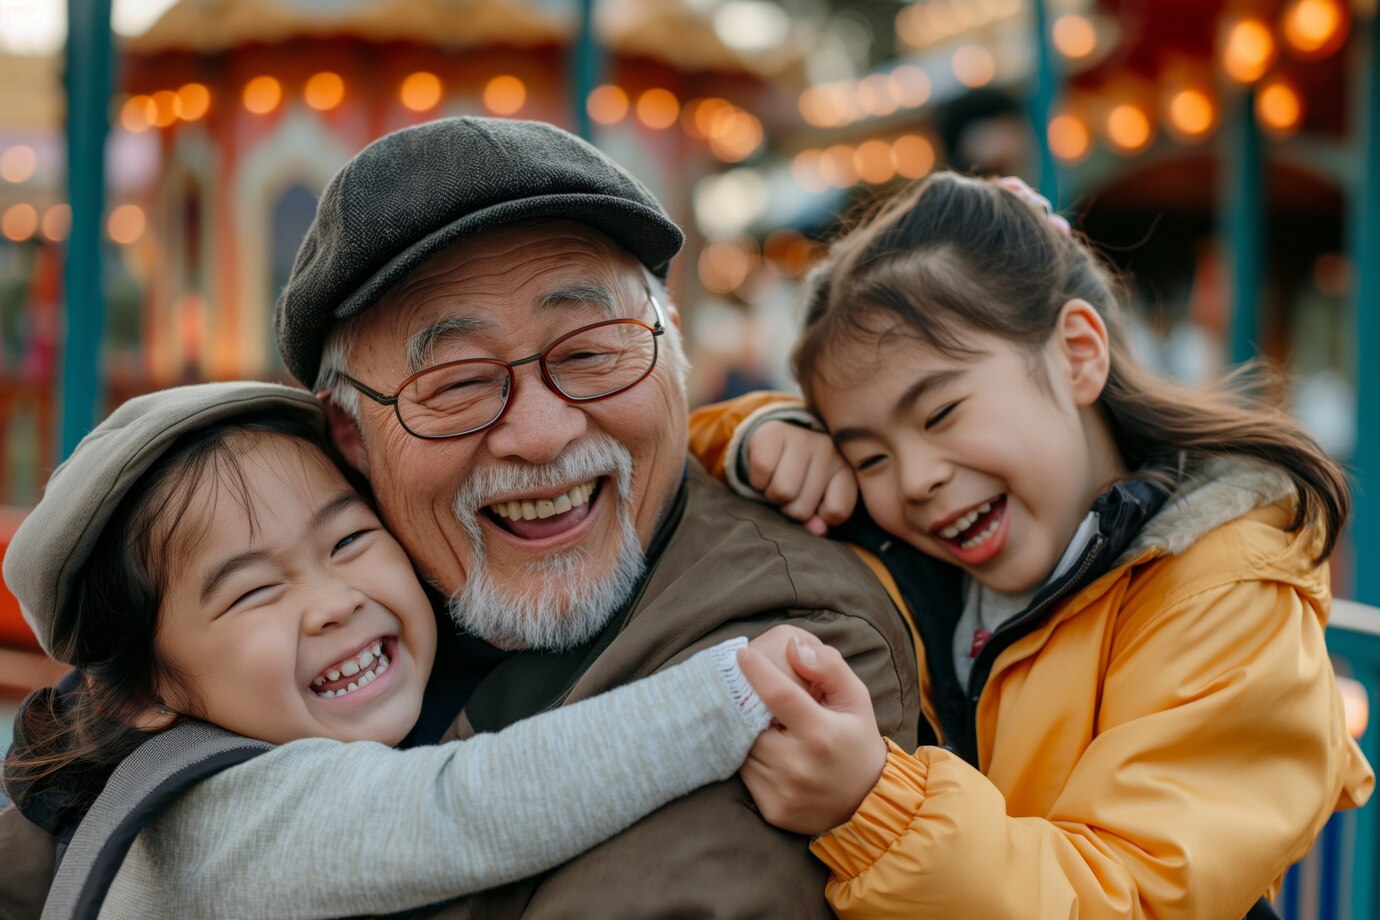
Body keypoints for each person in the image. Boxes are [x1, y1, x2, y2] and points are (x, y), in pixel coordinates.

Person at [0, 116, 916, 917]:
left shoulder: (793, 639)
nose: (543, 433)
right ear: (351, 444)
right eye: (457, 384)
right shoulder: (324, 601)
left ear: (672, 355)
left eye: (594, 353)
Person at [706, 172, 1375, 919]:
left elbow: (1134, 894)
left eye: (941, 412)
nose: (916, 480)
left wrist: (875, 811)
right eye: (867, 456)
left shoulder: (1226, 595)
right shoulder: (923, 552)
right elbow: (656, 468)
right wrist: (760, 436)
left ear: (1079, 354)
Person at [0, 380, 824, 919]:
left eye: (351, 539)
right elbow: (467, 806)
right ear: (146, 694)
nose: (333, 602)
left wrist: (751, 431)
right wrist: (740, 689)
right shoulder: (223, 815)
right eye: (252, 591)